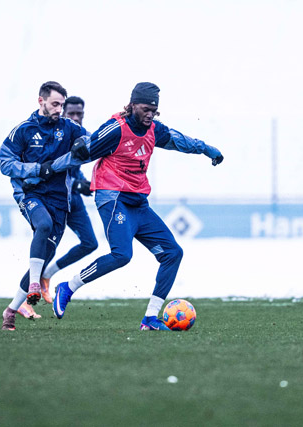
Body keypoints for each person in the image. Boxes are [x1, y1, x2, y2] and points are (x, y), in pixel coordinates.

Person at [44, 82, 224, 330]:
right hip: (112, 197)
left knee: (173, 253)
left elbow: (179, 140)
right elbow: (83, 153)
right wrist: (48, 168)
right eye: (145, 108)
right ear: (132, 105)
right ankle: (69, 286)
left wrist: (206, 149)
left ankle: (150, 318)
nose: (150, 113)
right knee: (122, 254)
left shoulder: (154, 130)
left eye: (154, 109)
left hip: (138, 202)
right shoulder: (116, 129)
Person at [0, 81, 89, 331]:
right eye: (55, 104)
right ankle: (35, 284)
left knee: (43, 256)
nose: (59, 109)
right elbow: (5, 163)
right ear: (41, 101)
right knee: (44, 225)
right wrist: (37, 169)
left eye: (62, 104)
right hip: (31, 194)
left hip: (60, 200)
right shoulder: (24, 130)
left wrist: (85, 143)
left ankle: (11, 311)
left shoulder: (69, 127)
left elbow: (88, 141)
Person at [21, 96, 100, 319]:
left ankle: (47, 276)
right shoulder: (57, 134)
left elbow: (75, 168)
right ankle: (24, 299)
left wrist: (84, 183)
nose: (76, 117)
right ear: (63, 112)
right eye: (72, 113)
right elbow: (53, 168)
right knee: (46, 250)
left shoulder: (79, 134)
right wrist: (77, 184)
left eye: (80, 114)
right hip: (54, 198)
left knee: (90, 243)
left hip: (72, 199)